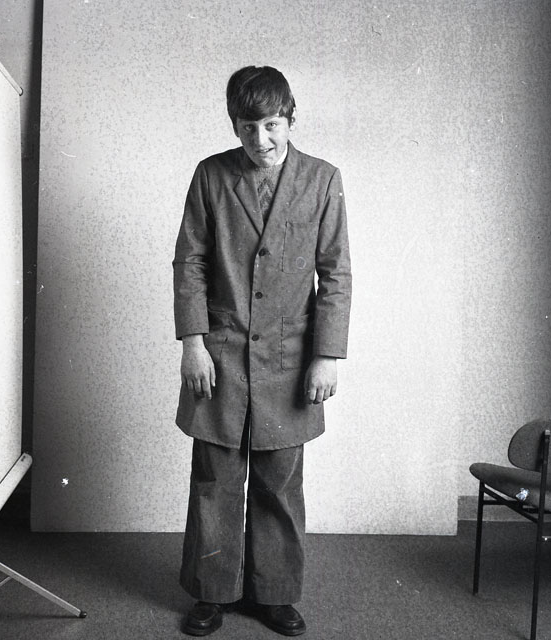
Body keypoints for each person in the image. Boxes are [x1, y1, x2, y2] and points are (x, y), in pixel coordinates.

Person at [173, 65, 352, 637]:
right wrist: (193, 343)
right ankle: (212, 592)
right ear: (234, 124)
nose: (261, 139)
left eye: (272, 124)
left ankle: (274, 595)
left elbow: (336, 274)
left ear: (291, 118)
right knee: (215, 479)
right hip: (220, 352)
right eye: (248, 127)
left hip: (291, 358)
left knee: (280, 482)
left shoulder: (323, 179)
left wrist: (327, 356)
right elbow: (190, 261)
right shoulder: (211, 175)